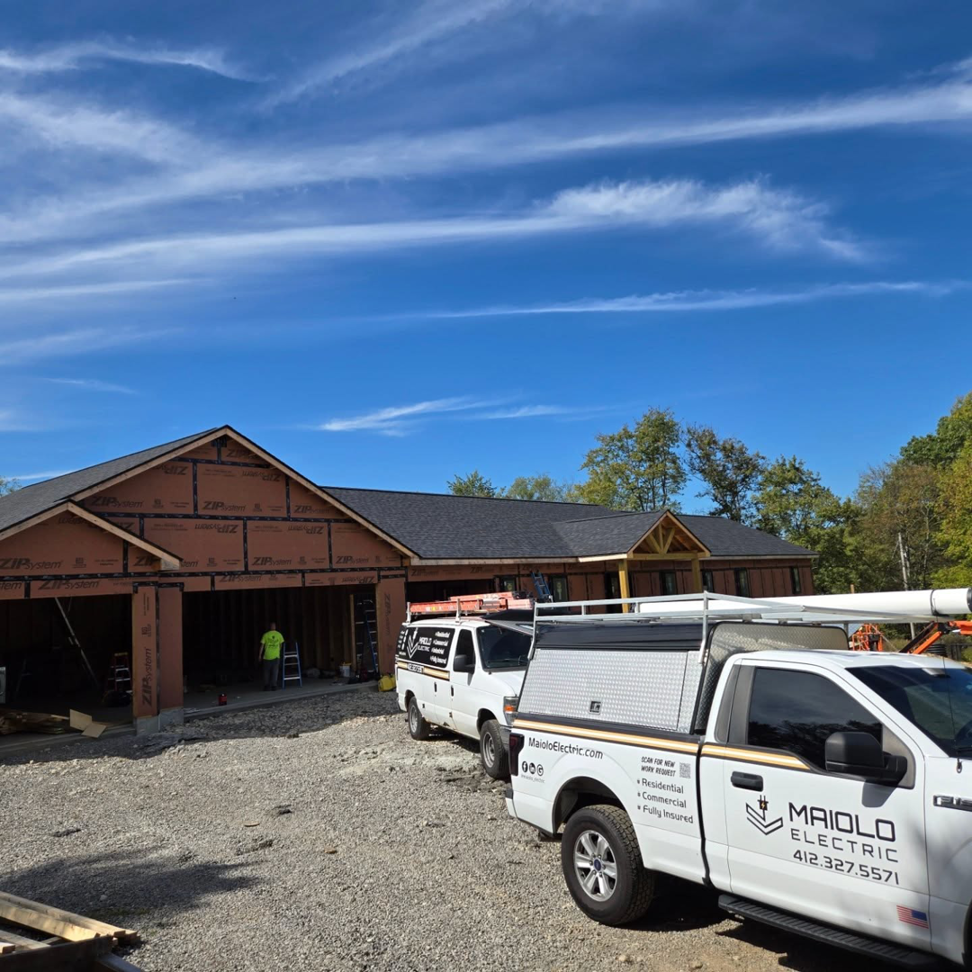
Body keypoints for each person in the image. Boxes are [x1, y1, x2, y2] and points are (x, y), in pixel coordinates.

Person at [259, 622, 285, 691]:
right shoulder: (279, 634)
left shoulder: (266, 635)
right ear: (275, 627)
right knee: (275, 671)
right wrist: (278, 651)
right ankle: (274, 686)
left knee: (266, 672)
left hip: (267, 656)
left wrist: (260, 655)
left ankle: (266, 686)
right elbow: (281, 645)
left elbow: (262, 646)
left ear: (270, 627)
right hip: (276, 656)